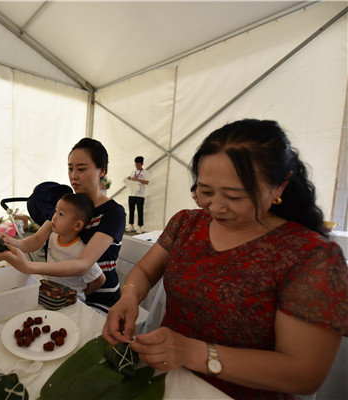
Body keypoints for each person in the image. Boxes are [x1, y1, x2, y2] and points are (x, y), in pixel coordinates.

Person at [102, 119, 348, 399]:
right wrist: (129, 297)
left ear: (280, 186)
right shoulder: (186, 223)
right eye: (205, 192)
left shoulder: (311, 257)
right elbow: (145, 272)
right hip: (165, 381)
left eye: (235, 196)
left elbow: (303, 373)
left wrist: (191, 352)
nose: (215, 206)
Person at [0, 138, 126, 313]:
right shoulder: (67, 205)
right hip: (63, 295)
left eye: (81, 169)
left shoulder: (113, 213)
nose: (73, 175)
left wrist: (29, 266)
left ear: (101, 171)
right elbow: (37, 240)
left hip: (100, 299)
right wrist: (10, 242)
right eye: (70, 168)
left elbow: (83, 264)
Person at [0, 193, 106, 301]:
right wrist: (9, 241)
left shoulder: (80, 251)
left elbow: (100, 280)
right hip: (51, 292)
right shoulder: (53, 236)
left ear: (77, 225)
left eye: (61, 214)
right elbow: (34, 240)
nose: (54, 217)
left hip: (71, 299)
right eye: (55, 211)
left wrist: (81, 294)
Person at [125, 155, 150, 233]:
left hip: (140, 195)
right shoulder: (133, 172)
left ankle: (140, 227)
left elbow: (147, 182)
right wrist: (129, 178)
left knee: (140, 210)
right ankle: (131, 225)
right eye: (136, 165)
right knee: (131, 210)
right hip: (131, 194)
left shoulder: (145, 172)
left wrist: (138, 179)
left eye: (139, 165)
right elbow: (131, 181)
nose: (137, 166)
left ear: (142, 164)